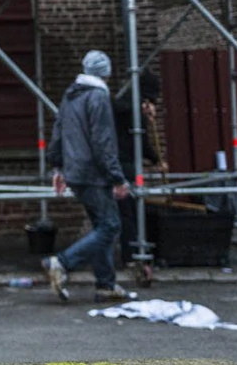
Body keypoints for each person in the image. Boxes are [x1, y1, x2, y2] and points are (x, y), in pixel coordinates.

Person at [43, 50, 135, 303]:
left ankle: (106, 284)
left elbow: (59, 131)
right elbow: (103, 141)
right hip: (94, 173)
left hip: (75, 171)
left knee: (100, 226)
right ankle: (61, 263)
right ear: (105, 73)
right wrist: (117, 177)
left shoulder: (71, 94)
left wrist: (58, 168)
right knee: (110, 225)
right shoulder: (98, 97)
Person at [113, 71, 166, 266]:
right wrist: (156, 161)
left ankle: (130, 252)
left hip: (114, 162)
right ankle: (132, 254)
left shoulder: (121, 104)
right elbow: (141, 143)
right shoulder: (136, 111)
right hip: (126, 165)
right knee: (130, 212)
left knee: (123, 211)